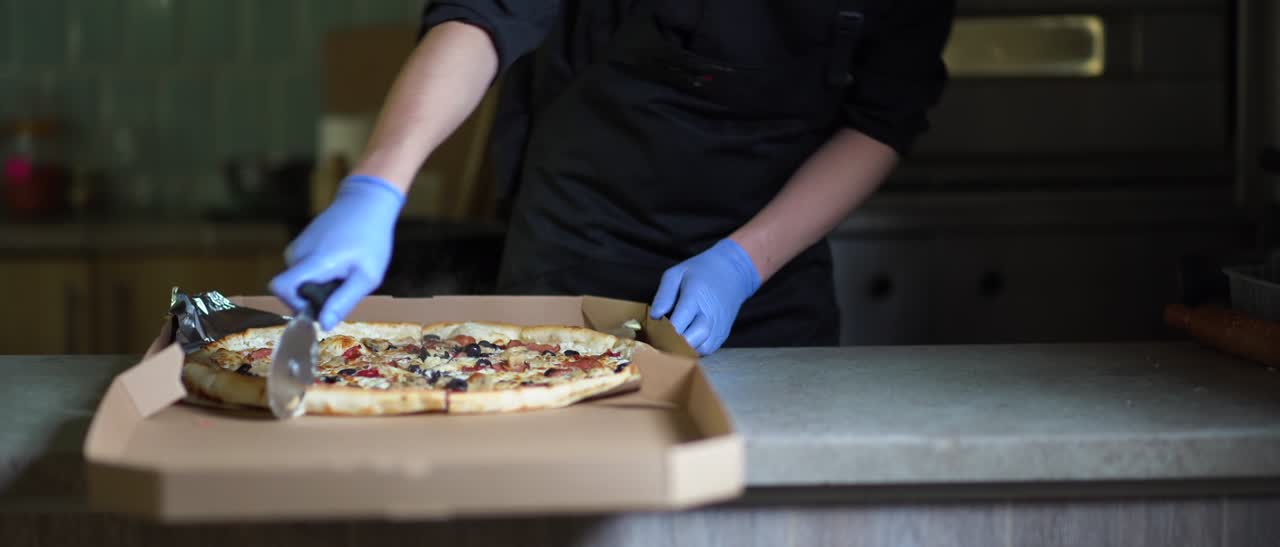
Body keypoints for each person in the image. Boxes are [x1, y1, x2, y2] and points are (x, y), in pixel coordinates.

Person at [271, 1, 955, 355]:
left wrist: (742, 265)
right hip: (571, 259)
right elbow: (485, 17)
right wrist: (379, 184)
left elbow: (882, 120)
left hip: (765, 293)